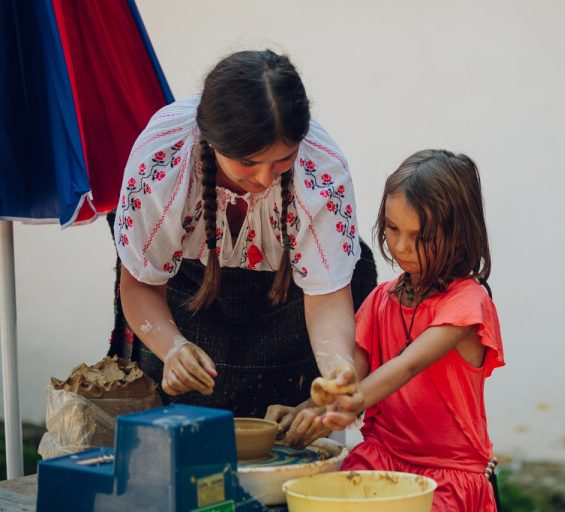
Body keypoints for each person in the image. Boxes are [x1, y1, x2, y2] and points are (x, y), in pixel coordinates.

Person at [110, 50, 376, 447]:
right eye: (249, 163)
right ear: (212, 141)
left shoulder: (320, 169)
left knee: (289, 454)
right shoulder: (165, 157)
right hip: (184, 295)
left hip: (292, 306)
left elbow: (326, 299)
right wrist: (173, 347)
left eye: (283, 160)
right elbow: (141, 285)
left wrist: (337, 369)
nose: (266, 178)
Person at [319, 149, 504, 511]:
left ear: (458, 235)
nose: (401, 247)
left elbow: (409, 365)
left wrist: (354, 401)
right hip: (379, 458)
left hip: (447, 476)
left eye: (420, 236)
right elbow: (350, 375)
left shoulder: (468, 302)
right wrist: (312, 409)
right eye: (392, 228)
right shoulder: (379, 299)